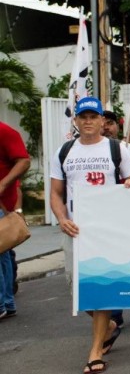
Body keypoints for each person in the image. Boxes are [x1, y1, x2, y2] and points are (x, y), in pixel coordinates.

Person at [49, 97, 130, 373]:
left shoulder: (117, 149)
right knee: (75, 289)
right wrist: (62, 218)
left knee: (98, 288)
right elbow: (55, 193)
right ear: (76, 121)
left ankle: (94, 351)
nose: (88, 121)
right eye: (83, 116)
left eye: (93, 116)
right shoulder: (64, 151)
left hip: (105, 231)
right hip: (75, 230)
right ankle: (110, 326)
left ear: (103, 120)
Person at [101, 110, 130, 325]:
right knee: (112, 266)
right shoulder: (89, 153)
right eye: (102, 123)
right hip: (106, 219)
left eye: (109, 123)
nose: (105, 127)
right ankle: (115, 316)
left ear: (118, 125)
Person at [0, 121, 30, 319]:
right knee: (3, 253)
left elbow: (24, 160)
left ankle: (3, 302)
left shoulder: (3, 131)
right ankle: (7, 302)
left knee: (2, 250)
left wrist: (2, 185)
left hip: (1, 203)